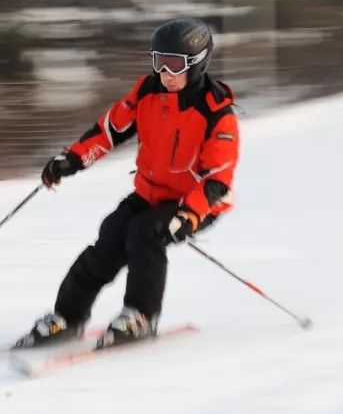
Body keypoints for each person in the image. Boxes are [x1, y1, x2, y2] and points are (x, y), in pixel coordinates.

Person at [14, 18, 240, 350]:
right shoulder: (148, 93)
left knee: (145, 233)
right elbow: (109, 131)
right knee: (111, 235)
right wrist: (72, 160)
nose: (165, 72)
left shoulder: (216, 113)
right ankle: (67, 317)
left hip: (195, 202)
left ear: (198, 62)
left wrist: (189, 215)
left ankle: (141, 315)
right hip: (150, 194)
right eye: (158, 62)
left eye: (174, 64)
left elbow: (217, 179)